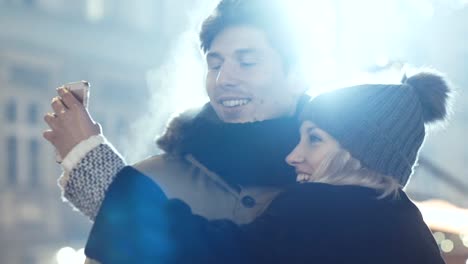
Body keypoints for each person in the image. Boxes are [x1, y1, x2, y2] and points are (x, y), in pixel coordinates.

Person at [83, 70, 450, 263]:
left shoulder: (322, 210)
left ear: (358, 153)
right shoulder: (405, 223)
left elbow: (205, 251)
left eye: (315, 139)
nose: (293, 155)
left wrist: (99, 167)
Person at [43, 0, 307, 226]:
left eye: (247, 62)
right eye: (214, 65)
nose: (223, 79)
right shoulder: (152, 179)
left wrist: (106, 188)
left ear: (296, 77)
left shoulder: (338, 175)